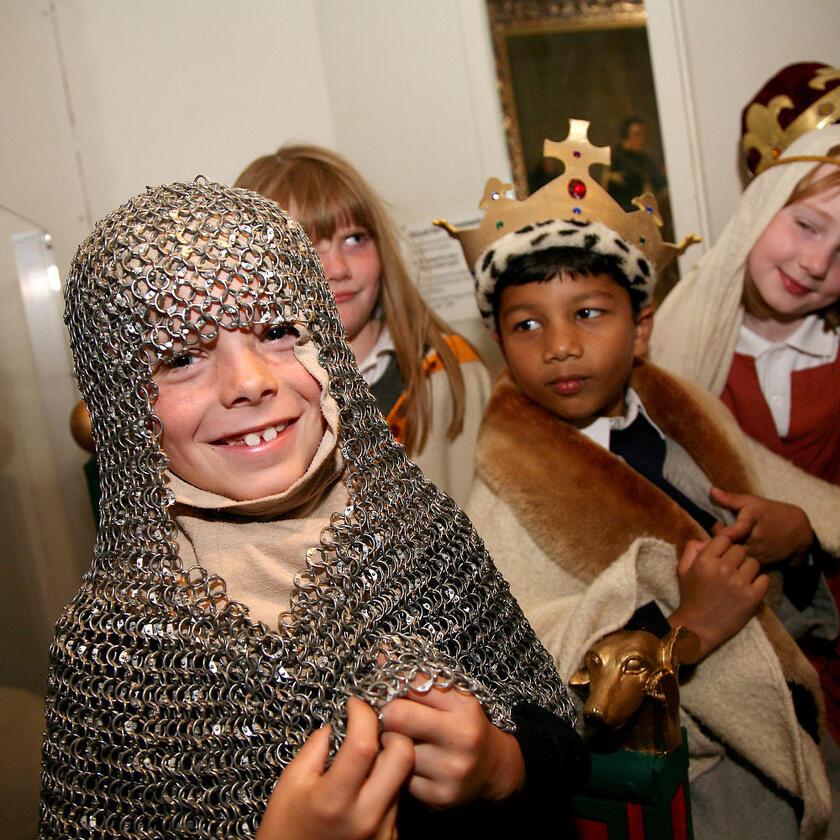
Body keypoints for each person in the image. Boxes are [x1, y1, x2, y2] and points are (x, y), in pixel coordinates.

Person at [39, 179, 588, 839]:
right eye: (181, 356)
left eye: (276, 331)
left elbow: (561, 743)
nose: (250, 382)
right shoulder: (114, 645)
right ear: (123, 403)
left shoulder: (417, 537)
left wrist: (503, 765)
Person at [436, 120, 840, 839]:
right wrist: (684, 631)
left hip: (800, 719)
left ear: (642, 326)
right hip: (700, 782)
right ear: (500, 341)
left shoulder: (684, 409)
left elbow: (798, 500)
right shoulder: (504, 497)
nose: (561, 347)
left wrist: (799, 533)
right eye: (527, 326)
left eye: (589, 314)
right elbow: (541, 671)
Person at [235, 145, 490, 505]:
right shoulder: (242, 396)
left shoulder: (448, 374)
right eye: (304, 245)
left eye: (355, 239)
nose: (338, 268)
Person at [605, 116, 667, 212]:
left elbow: (658, 183)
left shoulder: (645, 160)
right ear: (626, 136)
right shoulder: (615, 160)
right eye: (637, 134)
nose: (642, 139)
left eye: (643, 134)